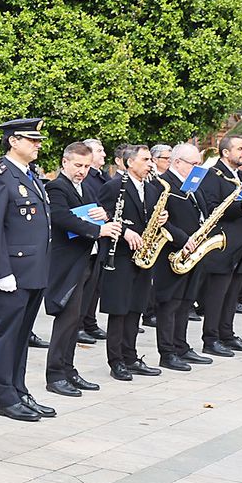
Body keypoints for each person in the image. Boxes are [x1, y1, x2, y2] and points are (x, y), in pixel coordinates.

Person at [0, 119, 56, 422]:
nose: (37, 145)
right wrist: (2, 272)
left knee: (22, 335)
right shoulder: (0, 176)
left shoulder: (30, 175)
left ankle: (19, 390)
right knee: (6, 336)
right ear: (13, 141)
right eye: (31, 140)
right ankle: (5, 396)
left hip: (34, 270)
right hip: (13, 271)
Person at [42, 142, 112, 398]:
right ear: (65, 163)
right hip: (68, 264)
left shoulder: (85, 187)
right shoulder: (56, 186)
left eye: (86, 166)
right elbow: (61, 217)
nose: (82, 171)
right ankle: (55, 375)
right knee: (66, 320)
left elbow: (92, 213)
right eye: (77, 165)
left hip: (88, 260)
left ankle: (69, 369)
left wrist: (103, 214)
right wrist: (97, 229)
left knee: (77, 320)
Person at [96, 145, 159, 380]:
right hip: (120, 256)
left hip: (143, 256)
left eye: (151, 159)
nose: (150, 163)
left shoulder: (152, 190)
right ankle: (116, 361)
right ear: (129, 162)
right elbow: (103, 214)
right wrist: (124, 231)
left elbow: (150, 217)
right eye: (145, 159)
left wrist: (162, 217)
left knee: (135, 309)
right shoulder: (113, 187)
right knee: (118, 310)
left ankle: (131, 356)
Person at [196, 135, 242, 356]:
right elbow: (212, 208)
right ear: (226, 153)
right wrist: (241, 208)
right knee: (217, 294)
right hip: (222, 243)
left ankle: (227, 333)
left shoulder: (241, 175)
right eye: (240, 149)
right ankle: (210, 338)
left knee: (233, 294)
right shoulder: (213, 174)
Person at [151, 143, 211, 371]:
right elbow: (161, 219)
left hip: (193, 250)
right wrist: (182, 239)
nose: (197, 168)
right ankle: (167, 352)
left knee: (186, 301)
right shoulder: (163, 183)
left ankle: (181, 345)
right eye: (193, 164)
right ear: (177, 162)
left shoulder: (194, 183)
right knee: (170, 303)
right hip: (172, 251)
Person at [76, 138, 109, 341]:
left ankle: (89, 321)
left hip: (99, 234)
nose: (103, 154)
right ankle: (80, 324)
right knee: (84, 285)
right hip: (87, 236)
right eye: (99, 150)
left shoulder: (100, 177)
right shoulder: (86, 179)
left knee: (94, 285)